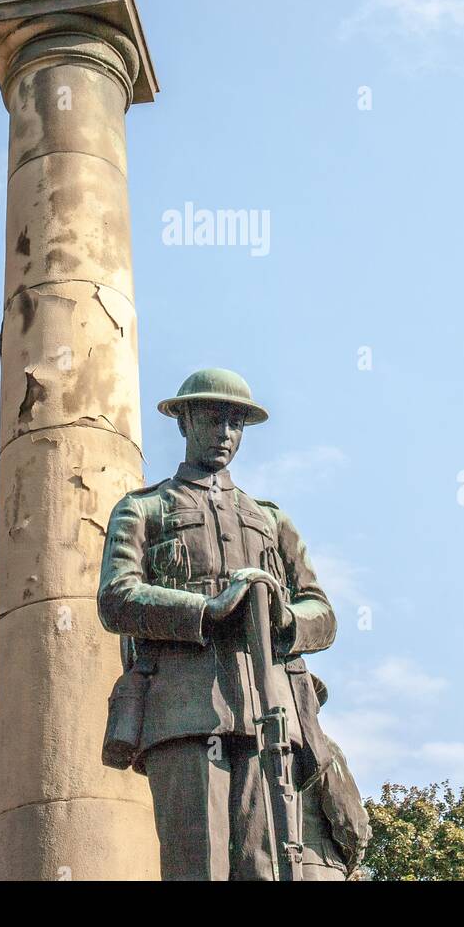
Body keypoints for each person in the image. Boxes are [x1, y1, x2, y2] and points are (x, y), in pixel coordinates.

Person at [98, 367, 359, 881]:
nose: (224, 434)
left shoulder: (270, 519)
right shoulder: (144, 508)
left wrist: (285, 617)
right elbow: (116, 599)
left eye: (235, 424)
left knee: (265, 868)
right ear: (185, 422)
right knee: (200, 867)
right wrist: (207, 611)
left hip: (271, 716)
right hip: (185, 713)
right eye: (213, 419)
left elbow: (322, 613)